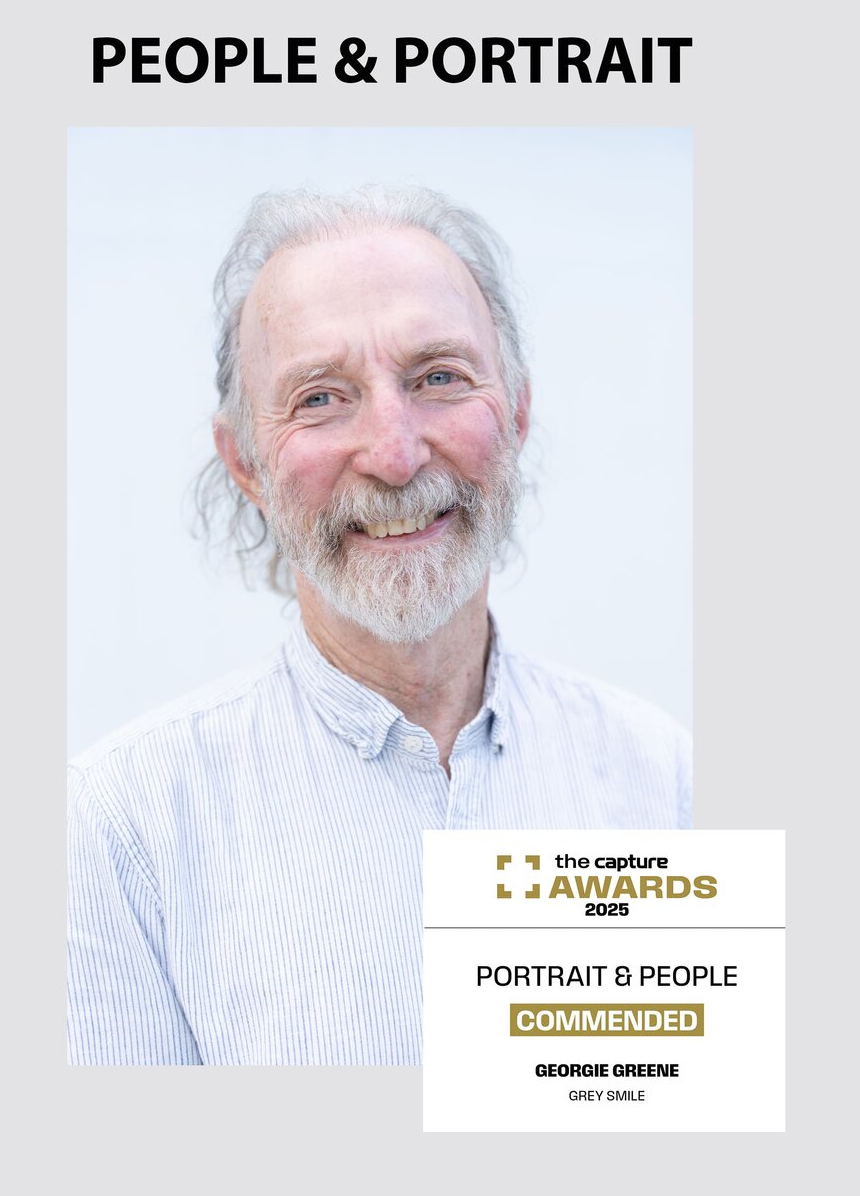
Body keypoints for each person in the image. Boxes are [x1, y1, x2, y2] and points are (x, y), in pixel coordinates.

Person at [67, 186, 692, 1065]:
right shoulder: (118, 831)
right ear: (246, 463)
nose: (395, 455)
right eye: (322, 398)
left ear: (514, 414)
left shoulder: (661, 782)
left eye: (438, 377)